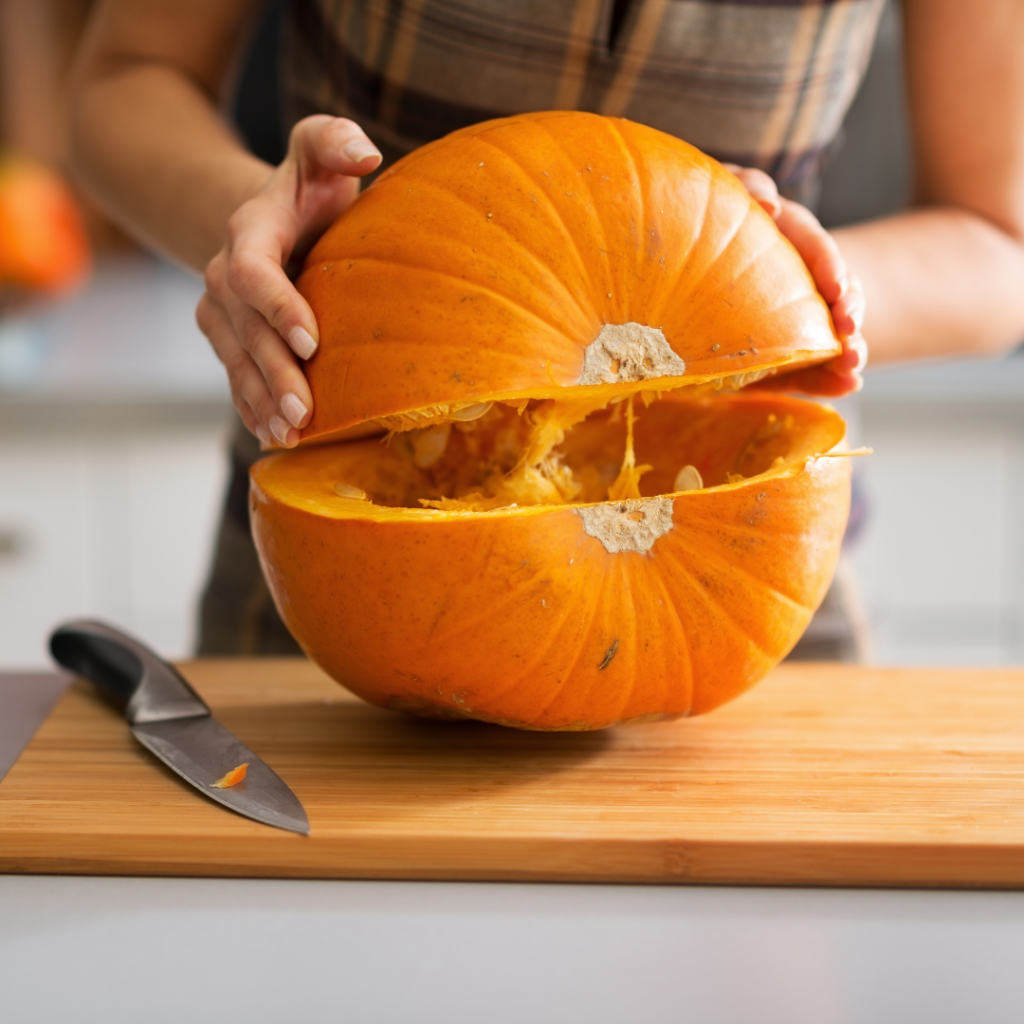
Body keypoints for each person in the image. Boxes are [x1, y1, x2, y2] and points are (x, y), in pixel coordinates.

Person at [68, 0, 1024, 655]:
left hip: (740, 589)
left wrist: (803, 294)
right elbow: (124, 77)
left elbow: (998, 240)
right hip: (336, 591)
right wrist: (258, 221)